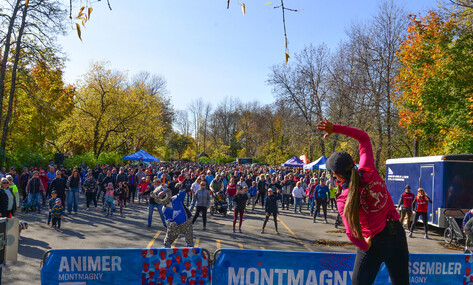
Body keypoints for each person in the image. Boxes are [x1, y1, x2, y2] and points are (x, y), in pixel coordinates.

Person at [318, 119, 408, 285]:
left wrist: (364, 245)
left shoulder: (343, 198)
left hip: (373, 242)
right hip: (397, 235)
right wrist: (335, 128)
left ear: (337, 175)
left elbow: (351, 234)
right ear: (353, 163)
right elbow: (363, 137)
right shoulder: (369, 168)